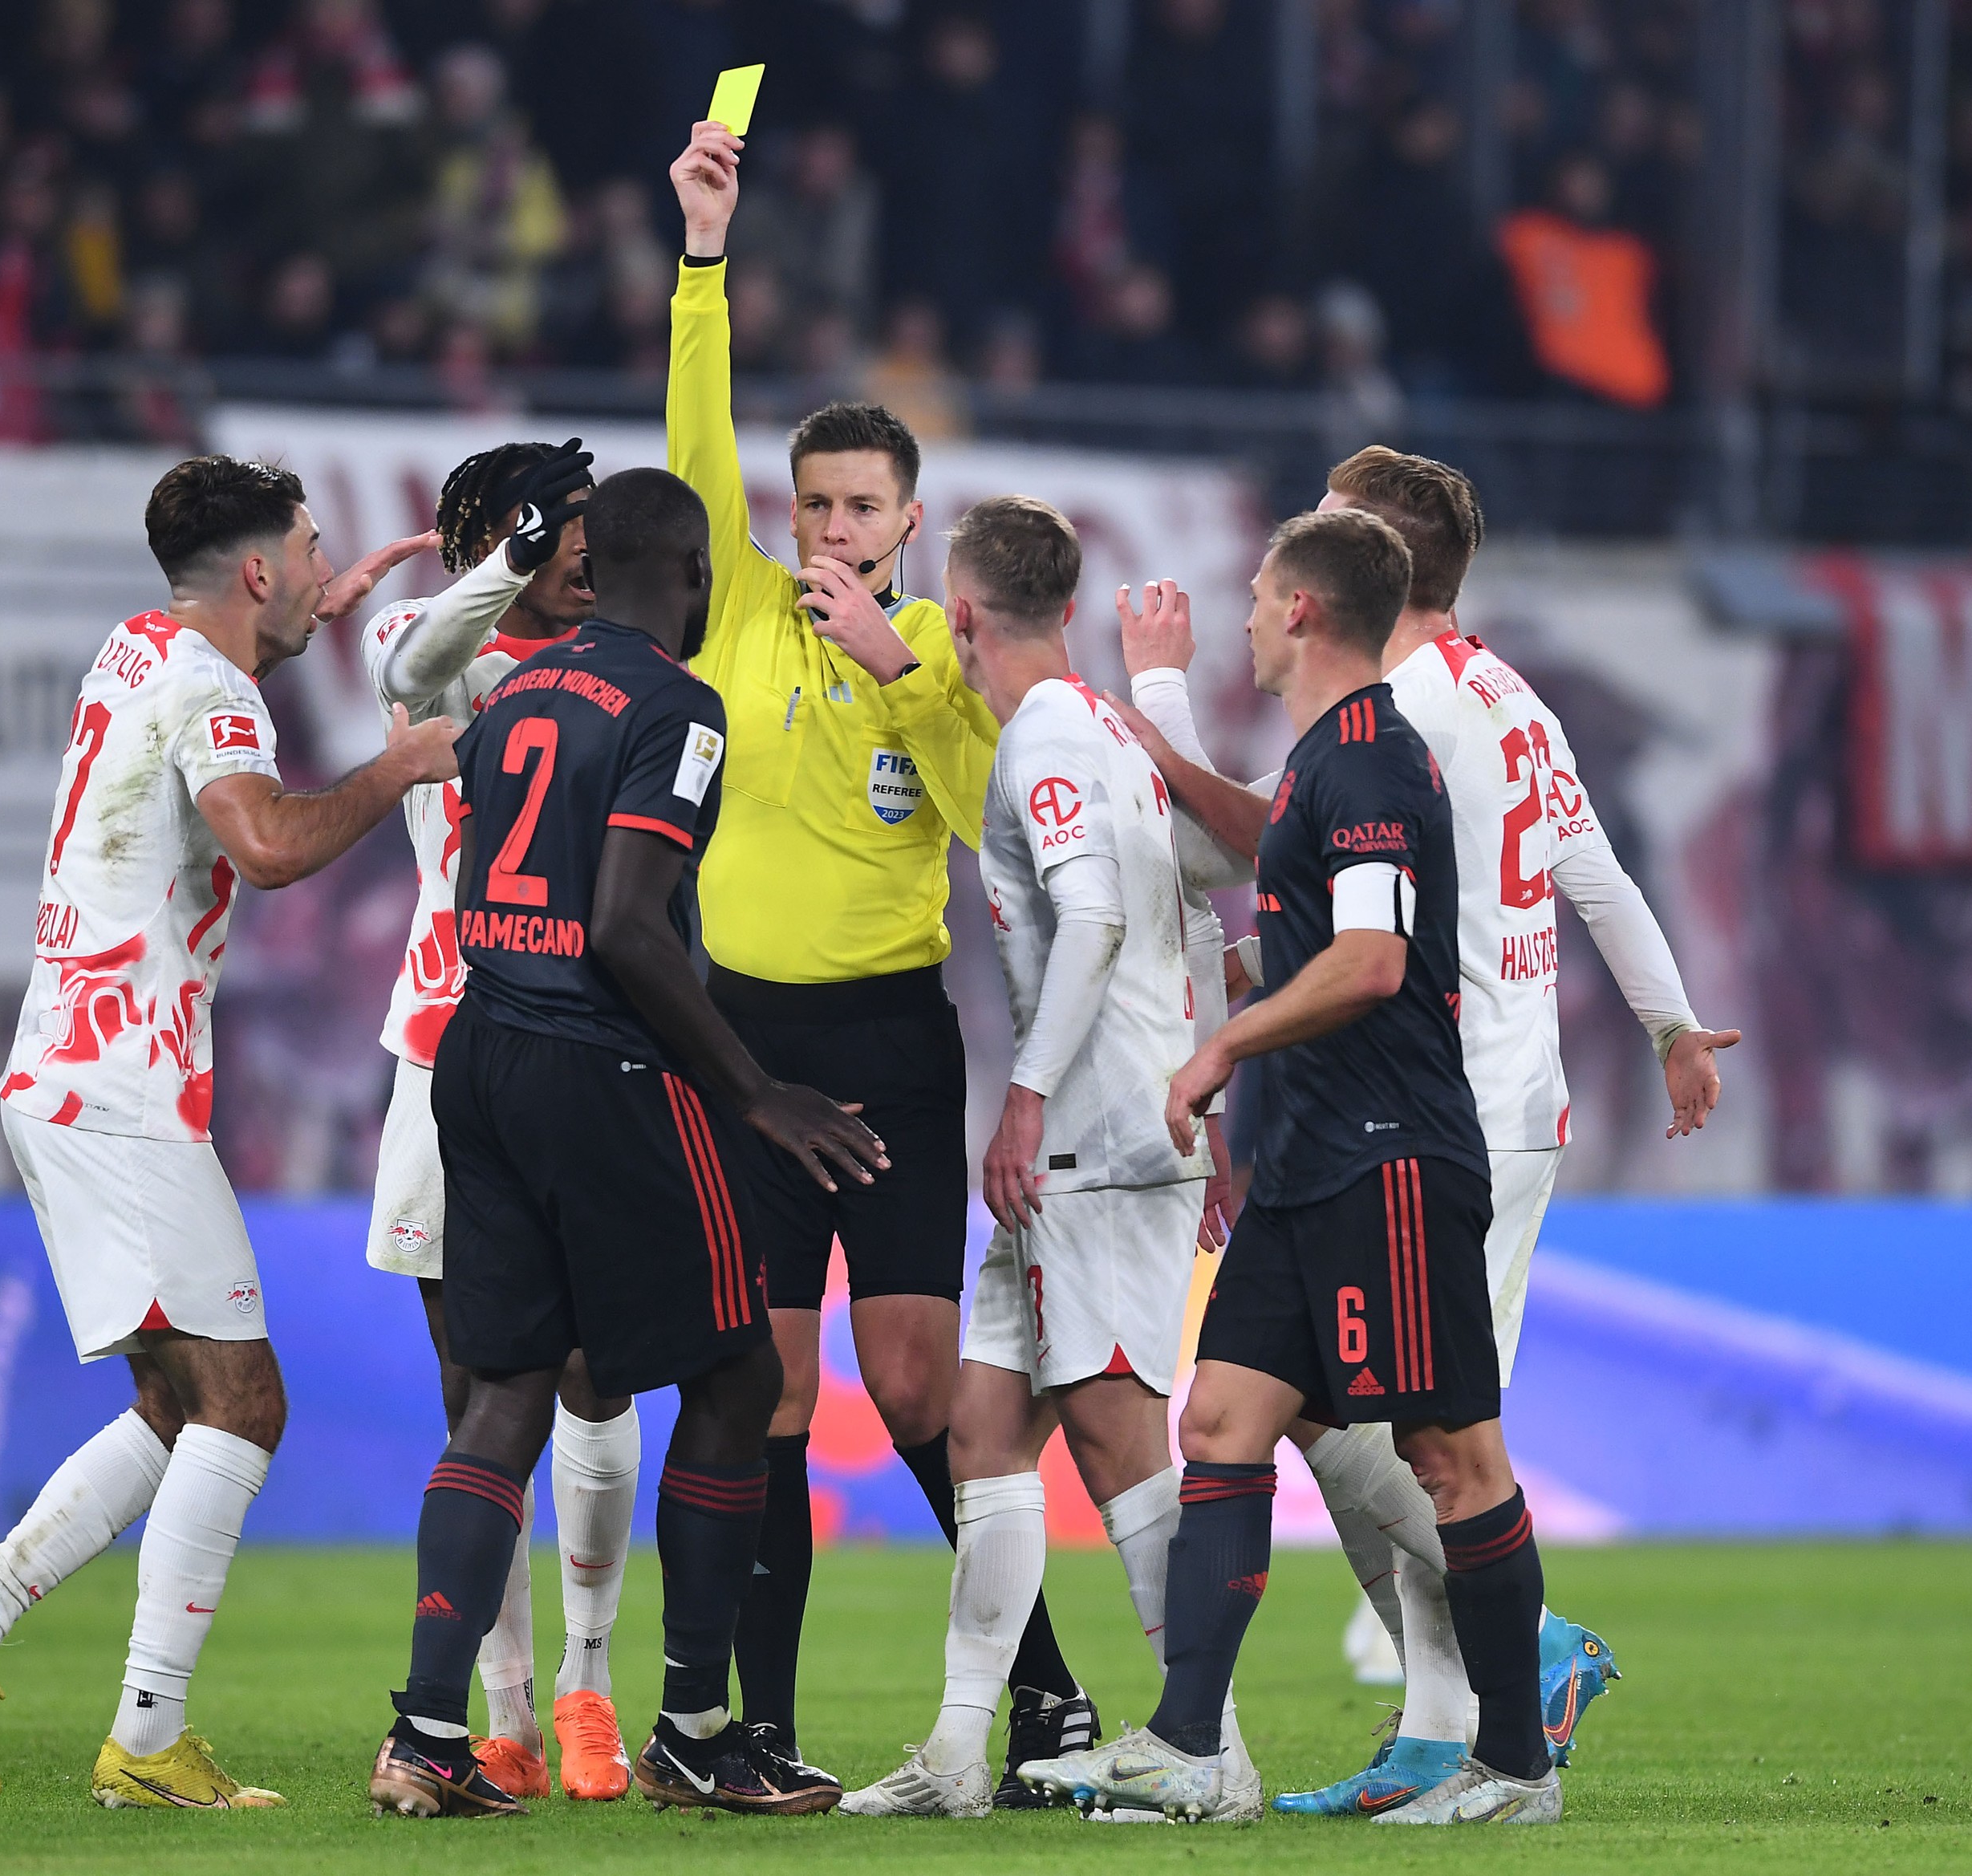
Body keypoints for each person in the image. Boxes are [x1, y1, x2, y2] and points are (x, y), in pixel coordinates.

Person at [1116, 446, 1737, 1812]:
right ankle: (1435, 1722)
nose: (1303, 545)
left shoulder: (1407, 714)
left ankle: (1518, 1669)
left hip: (1425, 1111)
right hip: (1469, 1100)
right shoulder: (1503, 695)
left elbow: (1255, 842)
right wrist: (1670, 1021)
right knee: (1342, 1422)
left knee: (1416, 1439)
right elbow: (1592, 871)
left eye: (1329, 527)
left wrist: (1152, 705)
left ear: (1375, 558)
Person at [0, 457, 448, 1809]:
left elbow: (230, 682)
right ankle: (146, 1735)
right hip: (122, 1088)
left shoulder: (137, 647)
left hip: (69, 1067)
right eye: (308, 550)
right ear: (255, 571)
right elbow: (261, 841)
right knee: (246, 1405)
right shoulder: (215, 688)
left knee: (173, 1399)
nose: (321, 567)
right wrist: (402, 761)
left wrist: (310, 606)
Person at [667, 116, 1098, 1801]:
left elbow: (1008, 827)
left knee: (914, 1377)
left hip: (897, 1044)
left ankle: (1045, 1690)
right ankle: (760, 1727)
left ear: (912, 522)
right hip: (745, 1048)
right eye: (814, 504)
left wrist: (900, 670)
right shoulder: (736, 609)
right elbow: (690, 435)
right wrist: (702, 259)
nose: (833, 527)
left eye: (862, 506)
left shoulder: (937, 646)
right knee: (769, 1389)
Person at [1020, 507, 1562, 1825]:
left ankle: (1511, 1765)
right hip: (1312, 1162)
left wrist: (1218, 1049)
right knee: (1218, 1421)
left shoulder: (1368, 761)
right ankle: (1190, 1746)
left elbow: (1370, 964)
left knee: (1450, 1453)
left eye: (1261, 594)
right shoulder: (1328, 762)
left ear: (1307, 612)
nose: (1248, 613)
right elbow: (1305, 911)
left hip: (1388, 1161)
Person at [367, 469, 886, 1821]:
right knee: (733, 1374)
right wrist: (756, 1087)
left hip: (474, 1055)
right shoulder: (677, 706)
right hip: (605, 1068)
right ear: (695, 575)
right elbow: (629, 923)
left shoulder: (510, 690)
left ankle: (427, 1733)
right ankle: (698, 1730)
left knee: (500, 1391)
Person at [838, 498, 1259, 1819]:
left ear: (959, 616)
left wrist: (1020, 1103)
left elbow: (1088, 915)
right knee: (985, 1426)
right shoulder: (1109, 735)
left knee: (1117, 1432)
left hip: (1093, 1134)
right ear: (1067, 608)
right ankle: (960, 1750)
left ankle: (1209, 1744)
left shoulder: (1045, 741)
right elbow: (1192, 906)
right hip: (1110, 1130)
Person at [359, 436, 651, 1802]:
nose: (581, 550)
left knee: (596, 1372)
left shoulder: (625, 662)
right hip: (443, 1058)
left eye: (588, 527)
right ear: (497, 533)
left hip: (594, 1052)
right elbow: (409, 663)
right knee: (478, 1395)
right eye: (557, 529)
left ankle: (592, 1687)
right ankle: (506, 1711)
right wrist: (512, 553)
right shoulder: (440, 651)